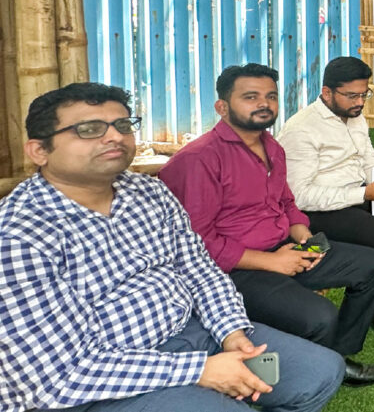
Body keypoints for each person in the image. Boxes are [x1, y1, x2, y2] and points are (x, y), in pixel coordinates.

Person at [0, 82, 344, 412]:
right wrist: (199, 371)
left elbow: (199, 269)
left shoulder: (148, 192)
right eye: (90, 129)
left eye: (122, 124)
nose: (115, 136)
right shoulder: (19, 234)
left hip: (192, 331)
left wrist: (231, 331)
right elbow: (57, 376)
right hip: (98, 380)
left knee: (321, 372)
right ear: (39, 150)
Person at [159, 64, 374, 387]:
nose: (264, 104)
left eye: (271, 96)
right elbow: (199, 244)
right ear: (222, 107)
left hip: (285, 248)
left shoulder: (273, 149)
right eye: (250, 97)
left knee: (372, 264)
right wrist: (273, 262)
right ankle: (317, 366)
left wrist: (302, 233)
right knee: (321, 316)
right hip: (237, 269)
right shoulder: (201, 159)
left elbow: (287, 202)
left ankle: (340, 354)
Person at [280, 55, 374, 339]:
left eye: (365, 94)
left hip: (360, 196)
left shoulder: (354, 116)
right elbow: (299, 196)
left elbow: (367, 158)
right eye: (352, 95)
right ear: (327, 92)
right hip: (320, 213)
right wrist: (364, 192)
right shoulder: (301, 129)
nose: (360, 102)